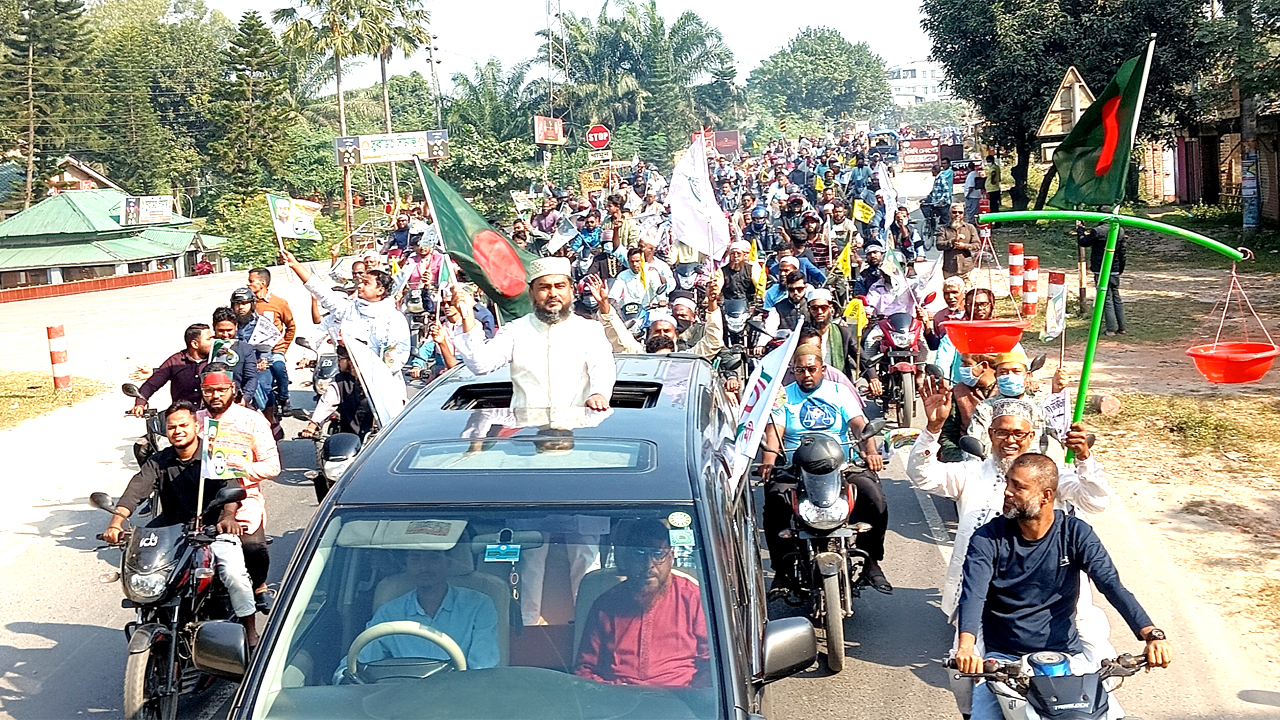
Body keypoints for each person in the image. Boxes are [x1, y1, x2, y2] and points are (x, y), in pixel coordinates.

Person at [909, 386, 1116, 716]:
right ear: (990, 434)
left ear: (1031, 436)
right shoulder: (971, 473)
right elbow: (922, 475)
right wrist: (933, 428)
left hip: (1054, 599)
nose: (1010, 440)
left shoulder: (1050, 476)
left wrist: (1084, 459)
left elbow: (1096, 500)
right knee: (967, 673)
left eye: (1019, 433)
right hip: (986, 600)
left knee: (1096, 669)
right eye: (1002, 432)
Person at [956, 453, 1172, 720]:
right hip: (1005, 661)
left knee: (1112, 715)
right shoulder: (987, 537)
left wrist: (1152, 634)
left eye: (1018, 487)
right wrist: (966, 647)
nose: (1007, 491)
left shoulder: (1075, 533)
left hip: (1066, 658)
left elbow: (1112, 585)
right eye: (1008, 483)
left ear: (1046, 496)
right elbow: (973, 594)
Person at [103, 401, 260, 646]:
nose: (178, 430)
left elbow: (232, 488)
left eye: (183, 425)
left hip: (211, 530)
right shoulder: (159, 461)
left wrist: (228, 516)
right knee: (144, 570)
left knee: (233, 573)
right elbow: (136, 490)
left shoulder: (213, 455)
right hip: (173, 535)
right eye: (172, 427)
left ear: (196, 426)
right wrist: (116, 521)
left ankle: (250, 631)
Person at [758, 345, 891, 594]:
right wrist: (768, 459)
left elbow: (860, 425)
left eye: (811, 369)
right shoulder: (783, 396)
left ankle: (871, 560)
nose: (806, 375)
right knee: (775, 502)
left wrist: (871, 453)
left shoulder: (839, 392)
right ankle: (782, 570)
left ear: (822, 369)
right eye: (800, 370)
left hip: (840, 466)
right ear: (793, 372)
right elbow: (774, 434)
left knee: (875, 498)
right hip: (796, 469)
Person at [451, 257, 615, 411]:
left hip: (576, 429)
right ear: (532, 293)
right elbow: (480, 365)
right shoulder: (516, 330)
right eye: (544, 287)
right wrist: (467, 316)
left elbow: (602, 367)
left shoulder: (589, 330)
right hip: (528, 432)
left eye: (560, 286)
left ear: (571, 291)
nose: (553, 294)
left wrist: (599, 394)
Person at [575, 519, 709, 688]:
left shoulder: (692, 598)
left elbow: (712, 665)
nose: (648, 565)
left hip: (679, 702)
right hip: (618, 703)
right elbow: (585, 669)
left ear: (671, 557)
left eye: (657, 554)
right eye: (639, 554)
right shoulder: (606, 604)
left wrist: (692, 697)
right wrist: (609, 694)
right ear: (627, 559)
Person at [336, 548, 500, 683]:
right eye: (416, 559)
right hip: (399, 700)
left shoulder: (478, 605)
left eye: (432, 558)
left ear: (448, 563)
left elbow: (482, 670)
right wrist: (344, 679)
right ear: (406, 565)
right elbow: (357, 662)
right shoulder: (390, 612)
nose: (423, 567)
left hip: (457, 698)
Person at [196, 364, 281, 612]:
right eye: (209, 391)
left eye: (221, 390)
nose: (216, 396)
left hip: (243, 498)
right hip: (200, 498)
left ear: (232, 389)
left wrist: (239, 468)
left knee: (253, 549)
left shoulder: (252, 421)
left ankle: (259, 587)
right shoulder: (196, 422)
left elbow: (272, 466)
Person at [279, 250, 411, 374]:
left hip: (379, 383)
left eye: (366, 283)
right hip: (347, 378)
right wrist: (295, 265)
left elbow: (399, 353)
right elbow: (321, 290)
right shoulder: (348, 308)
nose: (359, 285)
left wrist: (376, 373)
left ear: (380, 290)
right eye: (360, 282)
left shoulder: (394, 319)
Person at [590, 273, 723, 360]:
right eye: (657, 331)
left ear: (676, 335)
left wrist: (712, 303)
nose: (662, 334)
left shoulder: (686, 358)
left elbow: (713, 342)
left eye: (666, 331)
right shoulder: (638, 355)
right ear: (648, 334)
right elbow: (618, 334)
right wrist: (604, 304)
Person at [131, 324, 212, 414]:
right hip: (182, 416)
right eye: (209, 339)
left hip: (210, 415)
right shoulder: (175, 361)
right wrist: (140, 403)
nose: (213, 342)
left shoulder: (216, 359)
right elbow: (151, 384)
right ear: (195, 344)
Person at [247, 267, 296, 412]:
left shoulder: (279, 303)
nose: (248, 284)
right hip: (253, 350)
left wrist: (283, 347)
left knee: (278, 366)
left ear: (262, 283)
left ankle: (284, 397)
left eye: (251, 281)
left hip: (274, 349)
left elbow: (291, 326)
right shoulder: (247, 303)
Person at [300, 344, 373, 439]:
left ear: (351, 361)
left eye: (340, 359)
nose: (337, 362)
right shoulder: (339, 381)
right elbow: (327, 402)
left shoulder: (373, 380)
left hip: (375, 438)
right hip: (349, 437)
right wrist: (313, 424)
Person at [1077, 220, 1128, 336]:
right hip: (1114, 268)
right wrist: (1121, 268)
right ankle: (1122, 327)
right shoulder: (1119, 230)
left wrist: (1081, 230)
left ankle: (1111, 329)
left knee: (1106, 298)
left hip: (1100, 268)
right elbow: (1122, 251)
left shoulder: (1097, 231)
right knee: (1116, 297)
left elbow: (1084, 242)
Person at [211, 307, 264, 410]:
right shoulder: (208, 348)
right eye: (221, 331)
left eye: (229, 330)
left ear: (236, 327)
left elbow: (251, 377)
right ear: (214, 327)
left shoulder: (245, 349)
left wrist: (245, 399)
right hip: (211, 402)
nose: (225, 335)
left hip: (236, 402)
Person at [936, 203, 978, 280]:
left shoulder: (970, 228)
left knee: (969, 291)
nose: (957, 215)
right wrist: (953, 241)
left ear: (964, 214)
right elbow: (939, 245)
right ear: (949, 213)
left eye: (960, 212)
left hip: (967, 269)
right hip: (950, 269)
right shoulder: (942, 229)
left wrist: (964, 246)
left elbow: (977, 245)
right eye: (954, 212)